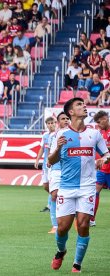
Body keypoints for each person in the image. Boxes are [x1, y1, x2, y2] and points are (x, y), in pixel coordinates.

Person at [48, 98, 110, 273]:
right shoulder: (60, 135)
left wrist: (102, 159)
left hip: (87, 187)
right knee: (62, 227)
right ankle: (61, 251)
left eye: (83, 104)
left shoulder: (94, 134)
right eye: (79, 105)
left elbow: (106, 154)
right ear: (71, 112)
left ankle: (77, 264)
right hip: (67, 187)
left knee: (83, 224)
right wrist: (58, 149)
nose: (83, 106)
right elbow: (51, 161)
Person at [45, 112, 70, 234]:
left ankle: (72, 219)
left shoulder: (74, 134)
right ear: (58, 122)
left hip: (70, 168)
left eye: (67, 119)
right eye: (63, 119)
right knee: (54, 194)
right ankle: (55, 225)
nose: (66, 120)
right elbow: (50, 150)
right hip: (56, 167)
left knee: (68, 196)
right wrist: (50, 160)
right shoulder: (53, 136)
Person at [90, 110, 110, 226]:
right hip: (103, 170)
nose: (98, 125)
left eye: (99, 122)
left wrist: (103, 159)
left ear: (105, 118)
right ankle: (92, 219)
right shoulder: (100, 133)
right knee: (95, 191)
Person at [35, 116, 56, 212]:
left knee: (53, 185)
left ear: (55, 124)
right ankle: (55, 200)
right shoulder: (45, 135)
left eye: (52, 123)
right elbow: (42, 148)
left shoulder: (57, 135)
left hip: (54, 165)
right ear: (46, 125)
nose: (51, 125)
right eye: (49, 123)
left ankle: (51, 205)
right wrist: (37, 159)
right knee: (45, 186)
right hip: (45, 165)